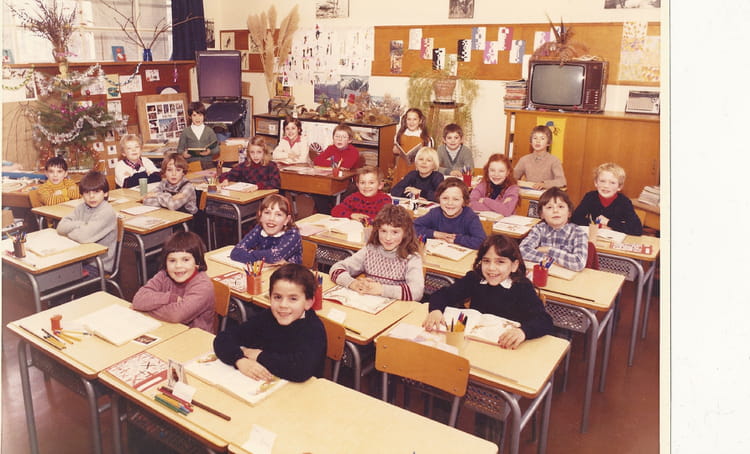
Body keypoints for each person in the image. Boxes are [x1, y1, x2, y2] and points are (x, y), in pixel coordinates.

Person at [422, 234, 553, 349]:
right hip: (474, 343)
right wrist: (436, 310)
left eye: (500, 262)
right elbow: (443, 294)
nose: (491, 268)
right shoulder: (475, 278)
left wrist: (523, 332)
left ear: (514, 265)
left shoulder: (522, 287)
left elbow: (544, 320)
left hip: (505, 346)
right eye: (486, 261)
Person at [213, 263, 327, 382]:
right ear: (270, 297)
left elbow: (300, 370)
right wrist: (239, 360)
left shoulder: (314, 329)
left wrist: (259, 356)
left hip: (303, 390)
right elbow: (223, 338)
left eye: (293, 299)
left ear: (308, 302)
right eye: (277, 297)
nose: (283, 305)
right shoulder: (267, 317)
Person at [330, 204, 425, 301]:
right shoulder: (370, 250)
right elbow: (336, 269)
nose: (388, 238)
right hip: (368, 303)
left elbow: (417, 292)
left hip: (396, 307)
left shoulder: (412, 258)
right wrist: (353, 283)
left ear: (405, 233)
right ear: (377, 231)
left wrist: (381, 289)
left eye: (395, 232)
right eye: (383, 231)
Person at [132, 231, 215, 333]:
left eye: (185, 260)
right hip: (167, 330)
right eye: (172, 261)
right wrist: (170, 298)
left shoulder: (203, 286)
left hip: (195, 338)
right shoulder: (163, 275)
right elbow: (138, 300)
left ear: (197, 262)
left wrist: (146, 308)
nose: (178, 266)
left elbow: (176, 315)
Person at [56, 171, 117, 276]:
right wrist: (81, 224)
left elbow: (83, 237)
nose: (91, 196)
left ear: (106, 193)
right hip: (79, 259)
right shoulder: (82, 207)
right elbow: (61, 227)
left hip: (98, 265)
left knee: (60, 279)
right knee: (53, 276)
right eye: (87, 192)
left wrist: (72, 231)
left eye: (96, 192)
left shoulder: (106, 211)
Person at [519, 187, 588, 271]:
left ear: (569, 212)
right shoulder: (539, 229)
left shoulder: (578, 233)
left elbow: (579, 263)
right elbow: (522, 251)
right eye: (549, 207)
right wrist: (550, 259)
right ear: (541, 214)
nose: (555, 211)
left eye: (561, 206)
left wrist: (548, 250)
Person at [571, 162, 643, 236]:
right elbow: (575, 219)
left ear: (619, 187)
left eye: (612, 183)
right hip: (594, 237)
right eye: (602, 181)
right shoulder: (590, 197)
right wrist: (599, 225)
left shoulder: (624, 202)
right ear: (596, 183)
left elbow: (637, 229)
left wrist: (609, 223)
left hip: (613, 239)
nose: (606, 186)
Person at [230, 194, 301, 264]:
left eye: (278, 214)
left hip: (288, 271)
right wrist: (263, 258)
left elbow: (274, 256)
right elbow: (236, 252)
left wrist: (251, 254)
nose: (271, 218)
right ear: (260, 215)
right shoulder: (259, 229)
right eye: (267, 213)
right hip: (265, 270)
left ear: (286, 220)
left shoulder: (293, 234)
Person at [414, 179, 486, 249]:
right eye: (445, 198)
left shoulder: (470, 217)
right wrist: (436, 234)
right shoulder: (435, 213)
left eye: (456, 199)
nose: (450, 203)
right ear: (439, 199)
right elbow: (413, 227)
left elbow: (482, 241)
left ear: (464, 201)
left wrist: (456, 239)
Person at [513, 125, 567, 190]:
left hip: (547, 194)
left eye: (542, 138)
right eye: (535, 138)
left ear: (548, 143)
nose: (538, 141)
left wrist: (544, 184)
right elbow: (513, 177)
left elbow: (562, 181)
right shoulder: (524, 159)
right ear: (531, 141)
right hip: (529, 194)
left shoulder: (554, 160)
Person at [392, 108, 433, 182]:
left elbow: (430, 157)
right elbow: (395, 149)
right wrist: (395, 151)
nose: (411, 122)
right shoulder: (400, 134)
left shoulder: (426, 138)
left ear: (420, 121)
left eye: (415, 119)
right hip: (402, 167)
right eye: (409, 119)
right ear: (405, 120)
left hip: (418, 169)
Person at [177, 102, 219, 170]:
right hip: (191, 165)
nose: (197, 118)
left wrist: (209, 152)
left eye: (200, 115)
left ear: (204, 116)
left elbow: (216, 149)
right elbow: (179, 149)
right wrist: (183, 154)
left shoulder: (209, 131)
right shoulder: (186, 132)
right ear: (190, 116)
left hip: (207, 164)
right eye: (194, 115)